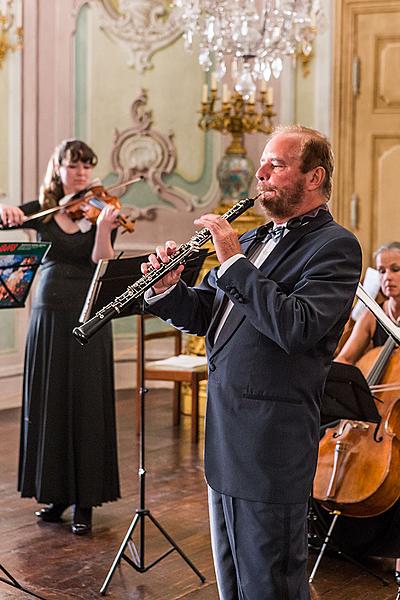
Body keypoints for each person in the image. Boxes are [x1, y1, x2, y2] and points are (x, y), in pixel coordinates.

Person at [141, 125, 362, 599]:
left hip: (271, 443)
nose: (261, 173)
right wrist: (166, 290)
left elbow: (295, 327)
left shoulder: (335, 247)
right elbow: (206, 314)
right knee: (233, 580)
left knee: (270, 583)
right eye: (264, 162)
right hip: (225, 434)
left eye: (276, 165)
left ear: (313, 177)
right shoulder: (259, 236)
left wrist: (234, 261)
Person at [0, 139, 121, 535]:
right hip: (49, 313)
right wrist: (6, 211)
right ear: (59, 170)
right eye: (74, 166)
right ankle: (55, 494)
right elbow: (8, 220)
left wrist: (103, 228)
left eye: (87, 166)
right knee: (50, 400)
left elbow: (100, 259)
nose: (81, 173)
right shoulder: (43, 209)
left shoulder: (103, 209)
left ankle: (85, 501)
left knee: (86, 402)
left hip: (89, 312)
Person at [314, 241, 400, 582]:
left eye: (396, 269)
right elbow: (345, 361)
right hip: (372, 415)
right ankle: (335, 539)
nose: (388, 278)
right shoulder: (373, 316)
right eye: (382, 271)